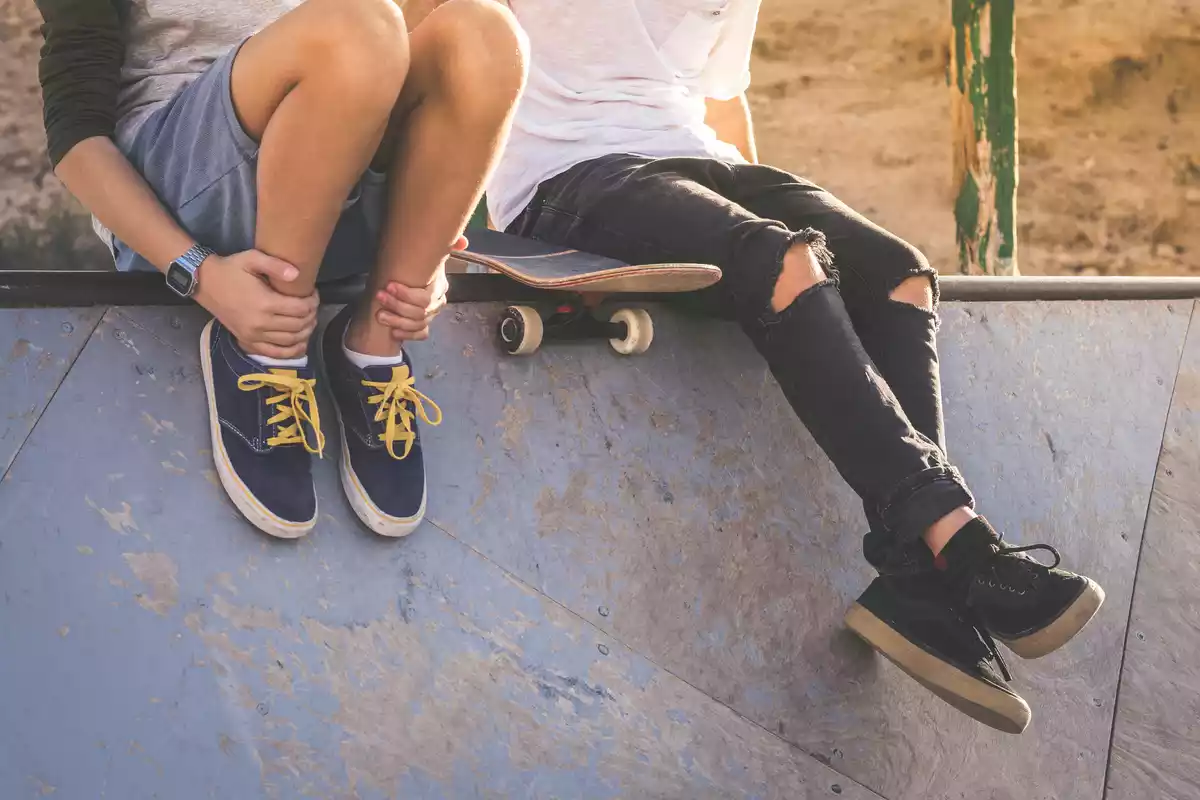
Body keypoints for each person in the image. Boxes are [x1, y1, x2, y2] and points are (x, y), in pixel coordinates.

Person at [378, 0, 1104, 733]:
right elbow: (424, 35)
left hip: (699, 163)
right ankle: (960, 547)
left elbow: (722, 101)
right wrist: (421, 229)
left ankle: (918, 580)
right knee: (782, 260)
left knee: (898, 273)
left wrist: (764, 233)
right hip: (567, 180)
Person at [35, 0, 527, 538]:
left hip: (334, 190)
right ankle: (267, 355)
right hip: (187, 205)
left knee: (485, 32)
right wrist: (196, 270)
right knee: (355, 26)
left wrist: (425, 242)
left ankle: (374, 347)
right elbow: (76, 137)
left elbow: (415, 52)